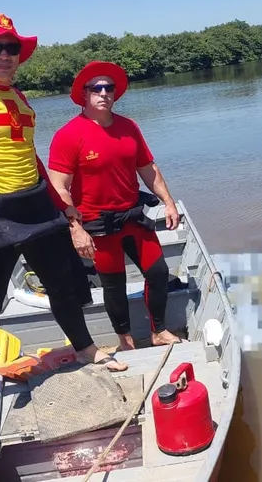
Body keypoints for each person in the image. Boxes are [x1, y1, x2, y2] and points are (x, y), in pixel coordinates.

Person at [0, 14, 127, 424]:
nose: (5, 55)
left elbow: (29, 156)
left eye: (12, 48)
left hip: (36, 205)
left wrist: (64, 206)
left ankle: (85, 348)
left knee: (63, 284)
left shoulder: (18, 96)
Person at [47, 61, 183, 351]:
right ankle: (125, 340)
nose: (104, 93)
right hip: (97, 223)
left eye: (109, 87)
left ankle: (158, 331)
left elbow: (149, 169)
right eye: (96, 88)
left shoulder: (128, 127)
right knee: (114, 284)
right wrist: (75, 229)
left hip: (132, 214)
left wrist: (168, 202)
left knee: (158, 272)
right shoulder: (69, 135)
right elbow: (59, 187)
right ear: (83, 94)